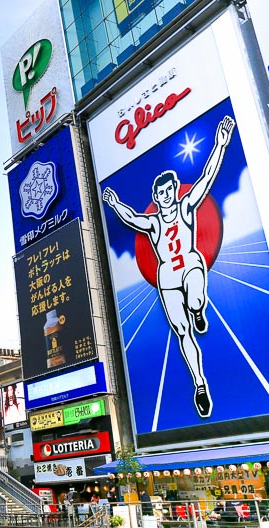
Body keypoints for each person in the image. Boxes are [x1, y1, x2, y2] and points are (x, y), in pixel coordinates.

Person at [101, 116, 235, 419]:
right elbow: (132, 218)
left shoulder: (187, 207)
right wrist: (113, 204)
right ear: (156, 198)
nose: (165, 198)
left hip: (189, 262)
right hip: (168, 276)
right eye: (159, 195)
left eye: (168, 192)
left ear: (174, 191)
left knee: (196, 297)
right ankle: (200, 384)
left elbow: (207, 177)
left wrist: (220, 144)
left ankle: (199, 309)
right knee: (182, 330)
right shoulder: (153, 222)